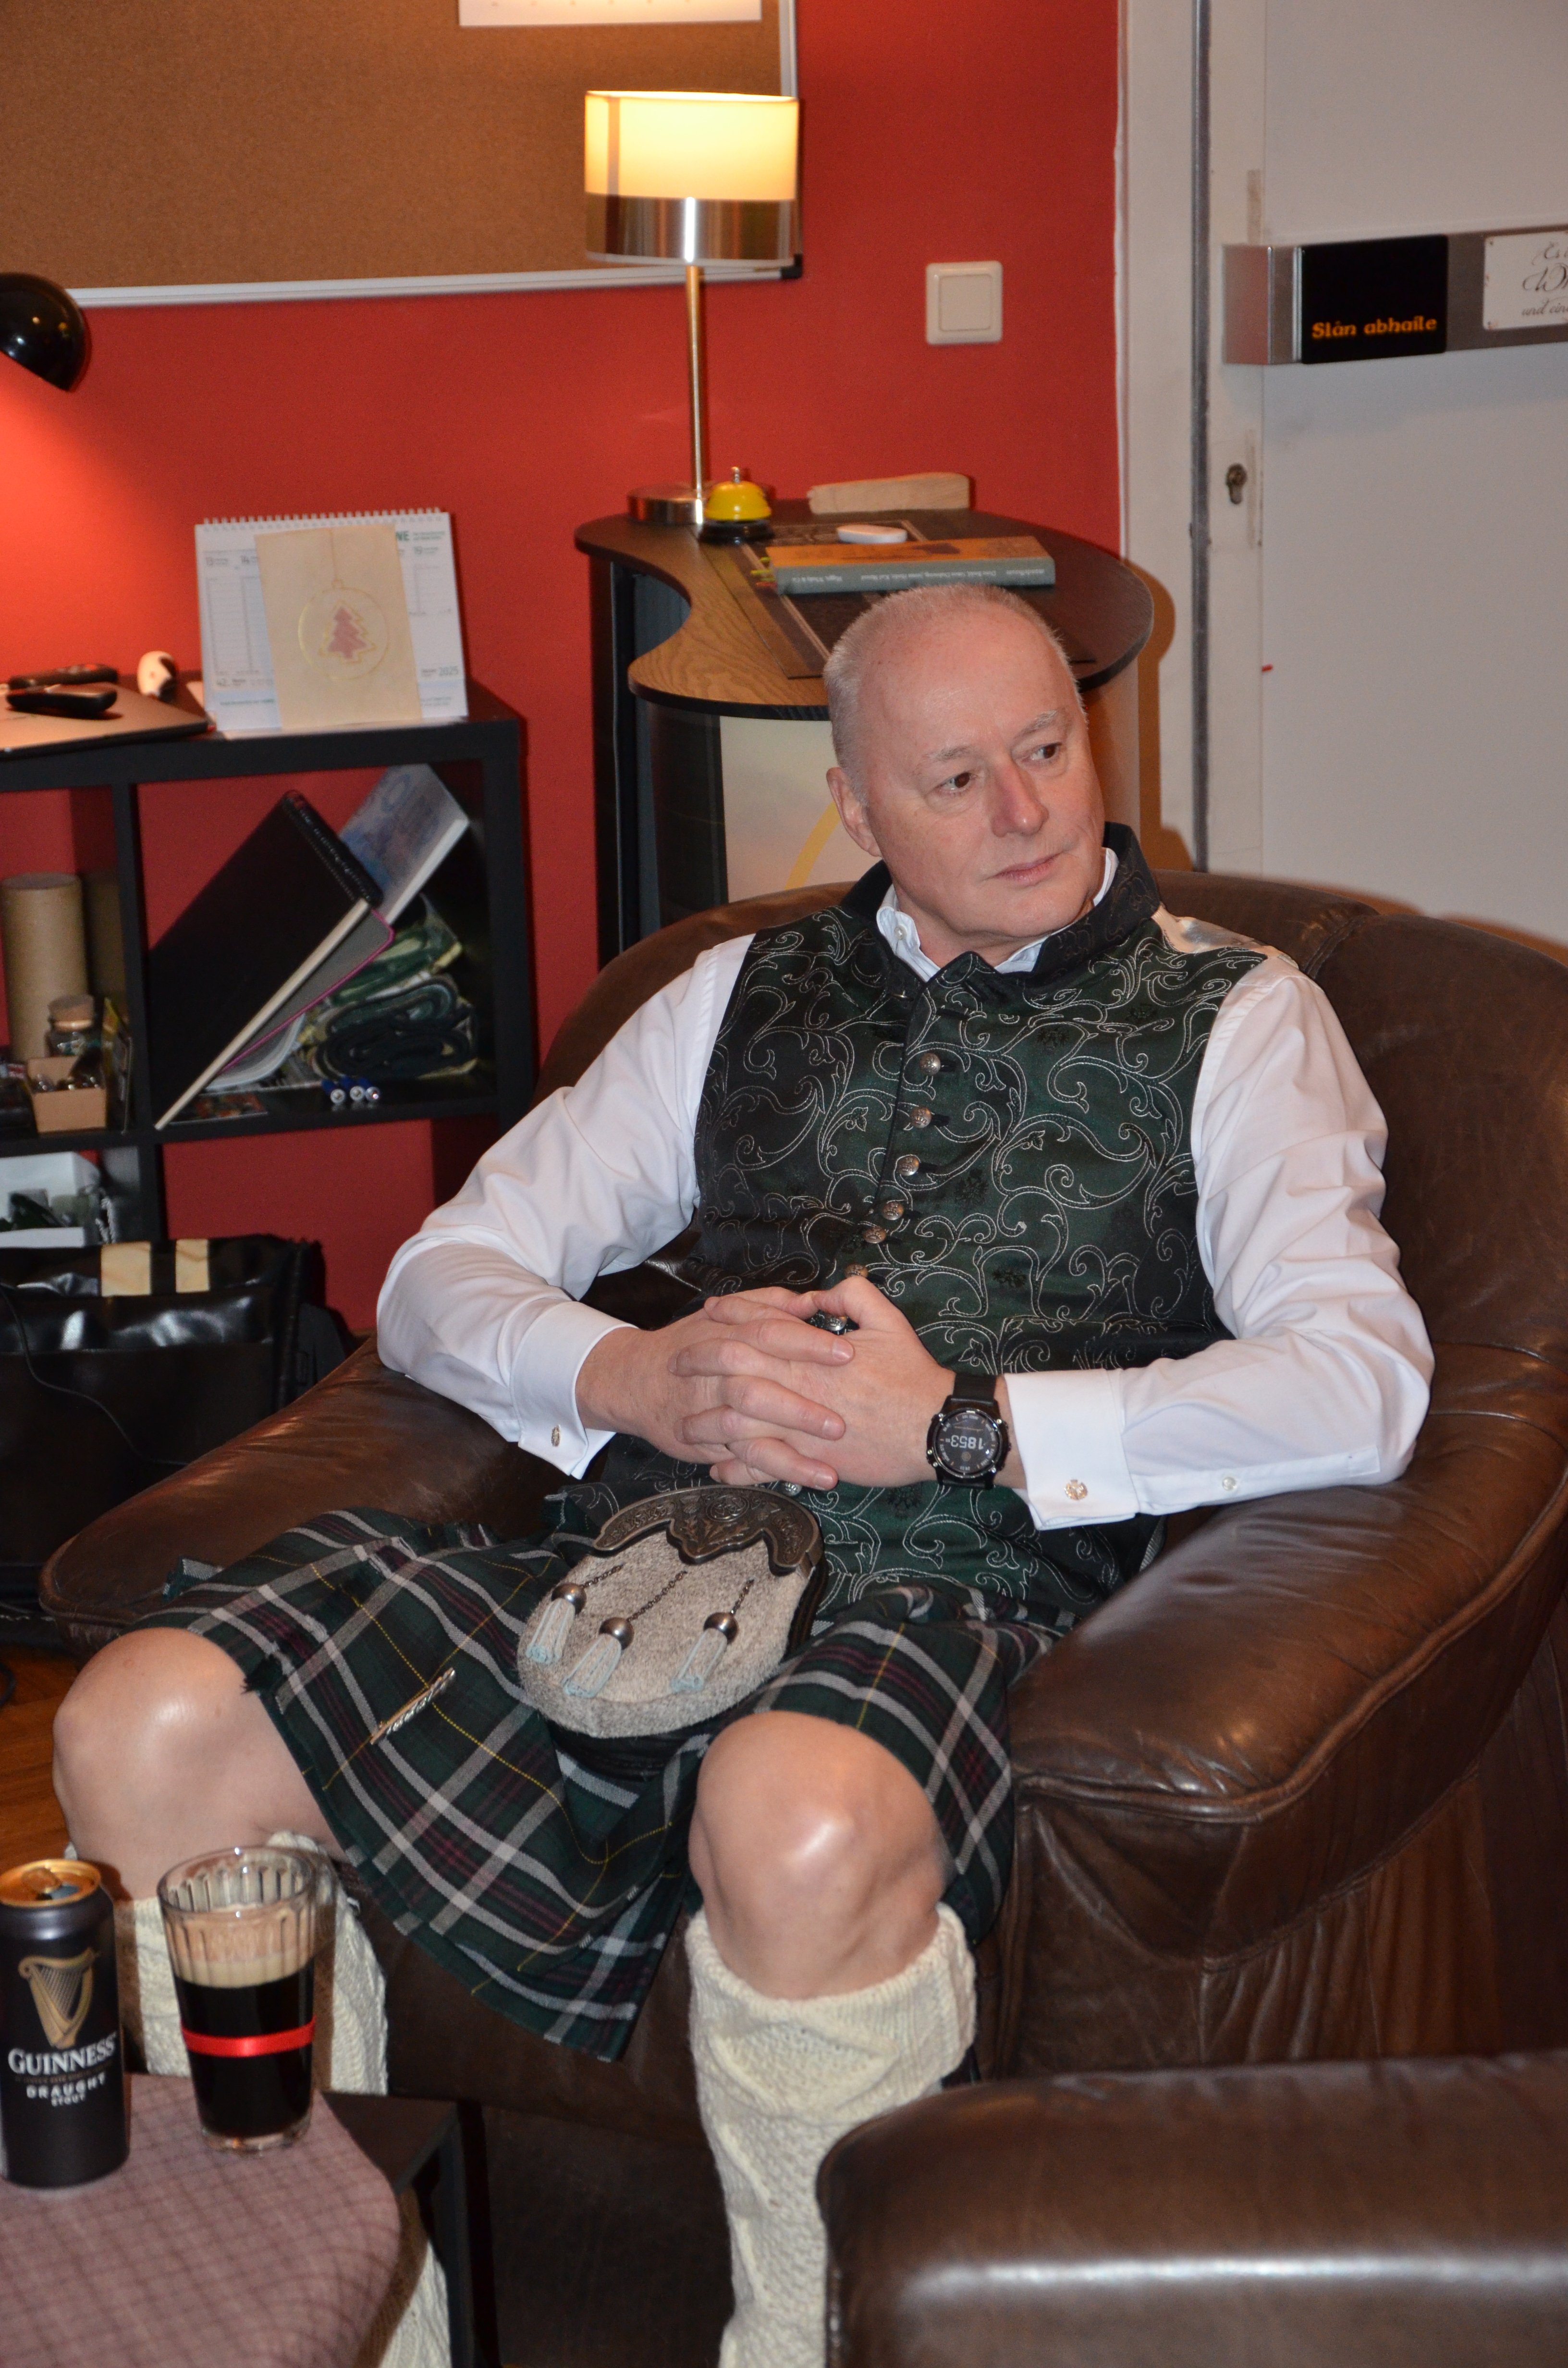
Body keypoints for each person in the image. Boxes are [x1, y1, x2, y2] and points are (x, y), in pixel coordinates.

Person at [53, 584, 1432, 2368]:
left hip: (960, 1593)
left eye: (1047, 747)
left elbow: (1364, 1382)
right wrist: (627, 1371)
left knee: (795, 1809)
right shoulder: (735, 993)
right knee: (143, 1720)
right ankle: (325, 2327)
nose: (1026, 810)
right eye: (955, 777)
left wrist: (966, 1424)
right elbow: (444, 1275)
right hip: (636, 1569)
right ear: (855, 803)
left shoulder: (1238, 1017)